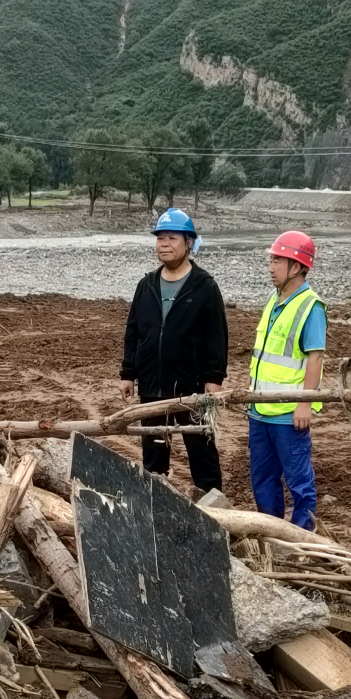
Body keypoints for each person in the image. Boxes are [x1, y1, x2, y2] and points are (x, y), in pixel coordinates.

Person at [118, 208, 228, 496]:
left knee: (201, 448)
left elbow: (216, 336)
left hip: (191, 388)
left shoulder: (204, 287)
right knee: (154, 452)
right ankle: (155, 500)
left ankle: (212, 502)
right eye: (160, 238)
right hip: (153, 386)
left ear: (189, 242)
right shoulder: (147, 285)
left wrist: (214, 378)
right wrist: (128, 373)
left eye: (172, 237)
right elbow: (134, 331)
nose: (164, 244)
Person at [247, 230, 324, 530]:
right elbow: (264, 353)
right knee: (262, 479)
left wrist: (304, 404)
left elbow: (315, 359)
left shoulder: (311, 307)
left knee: (299, 483)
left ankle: (303, 541)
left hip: (289, 416)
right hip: (260, 409)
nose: (270, 267)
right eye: (272, 260)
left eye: (278, 261)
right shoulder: (274, 299)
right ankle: (271, 533)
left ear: (297, 266)